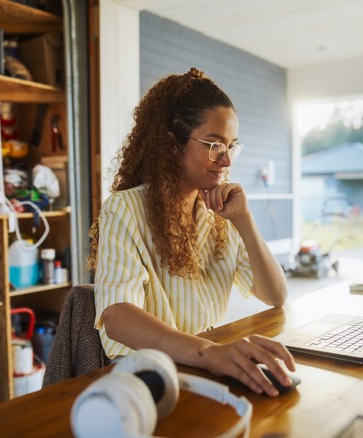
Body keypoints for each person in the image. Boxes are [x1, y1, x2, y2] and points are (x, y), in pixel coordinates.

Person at [88, 68, 295, 397]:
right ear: (172, 142)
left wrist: (245, 220)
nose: (225, 160)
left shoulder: (221, 213)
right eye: (214, 145)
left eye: (231, 147)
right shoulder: (125, 209)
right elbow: (117, 316)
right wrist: (209, 353)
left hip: (206, 365)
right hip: (147, 378)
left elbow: (276, 295)